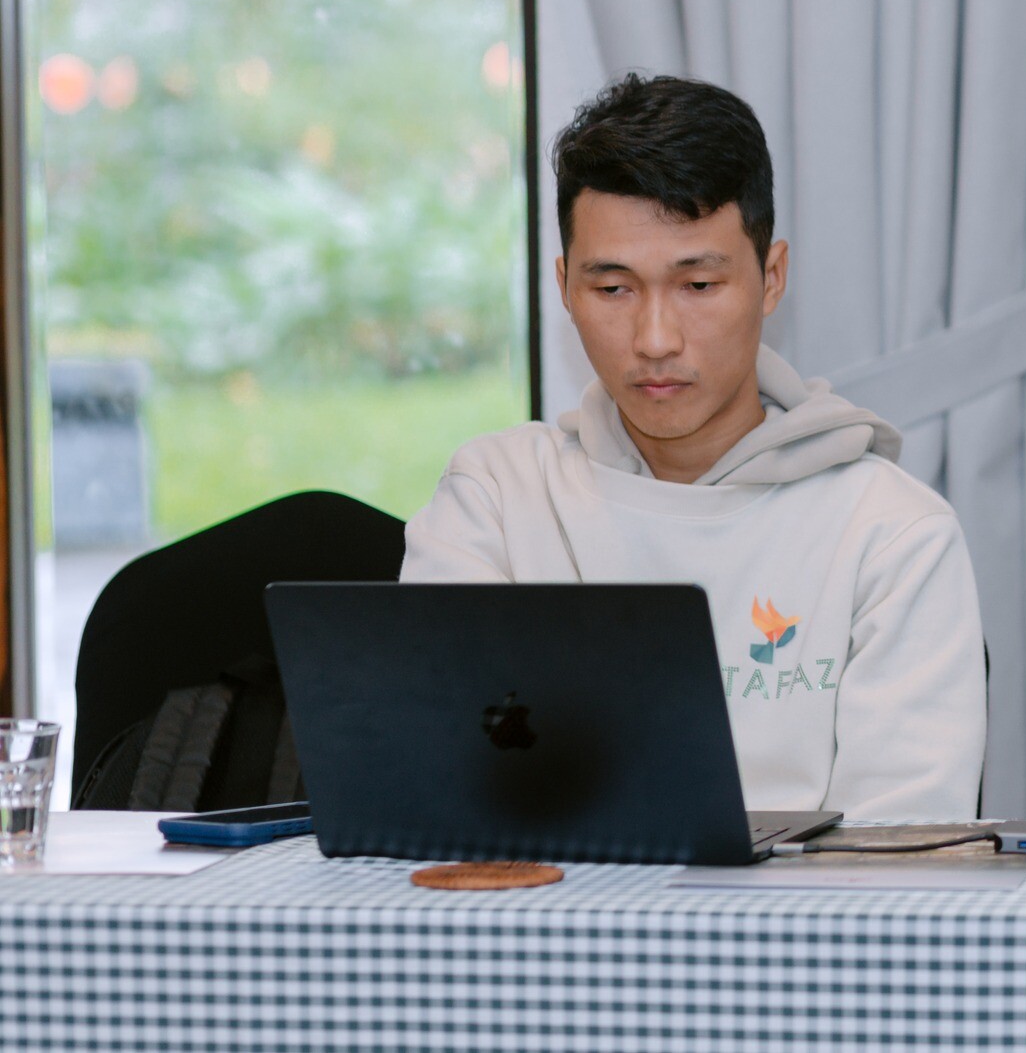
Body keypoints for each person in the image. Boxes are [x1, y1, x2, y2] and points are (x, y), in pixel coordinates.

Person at [403, 74, 986, 820]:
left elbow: (898, 851)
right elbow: (435, 792)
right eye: (613, 289)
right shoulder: (496, 499)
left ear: (771, 277)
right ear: (565, 287)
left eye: (699, 285)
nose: (655, 340)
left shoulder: (892, 533)